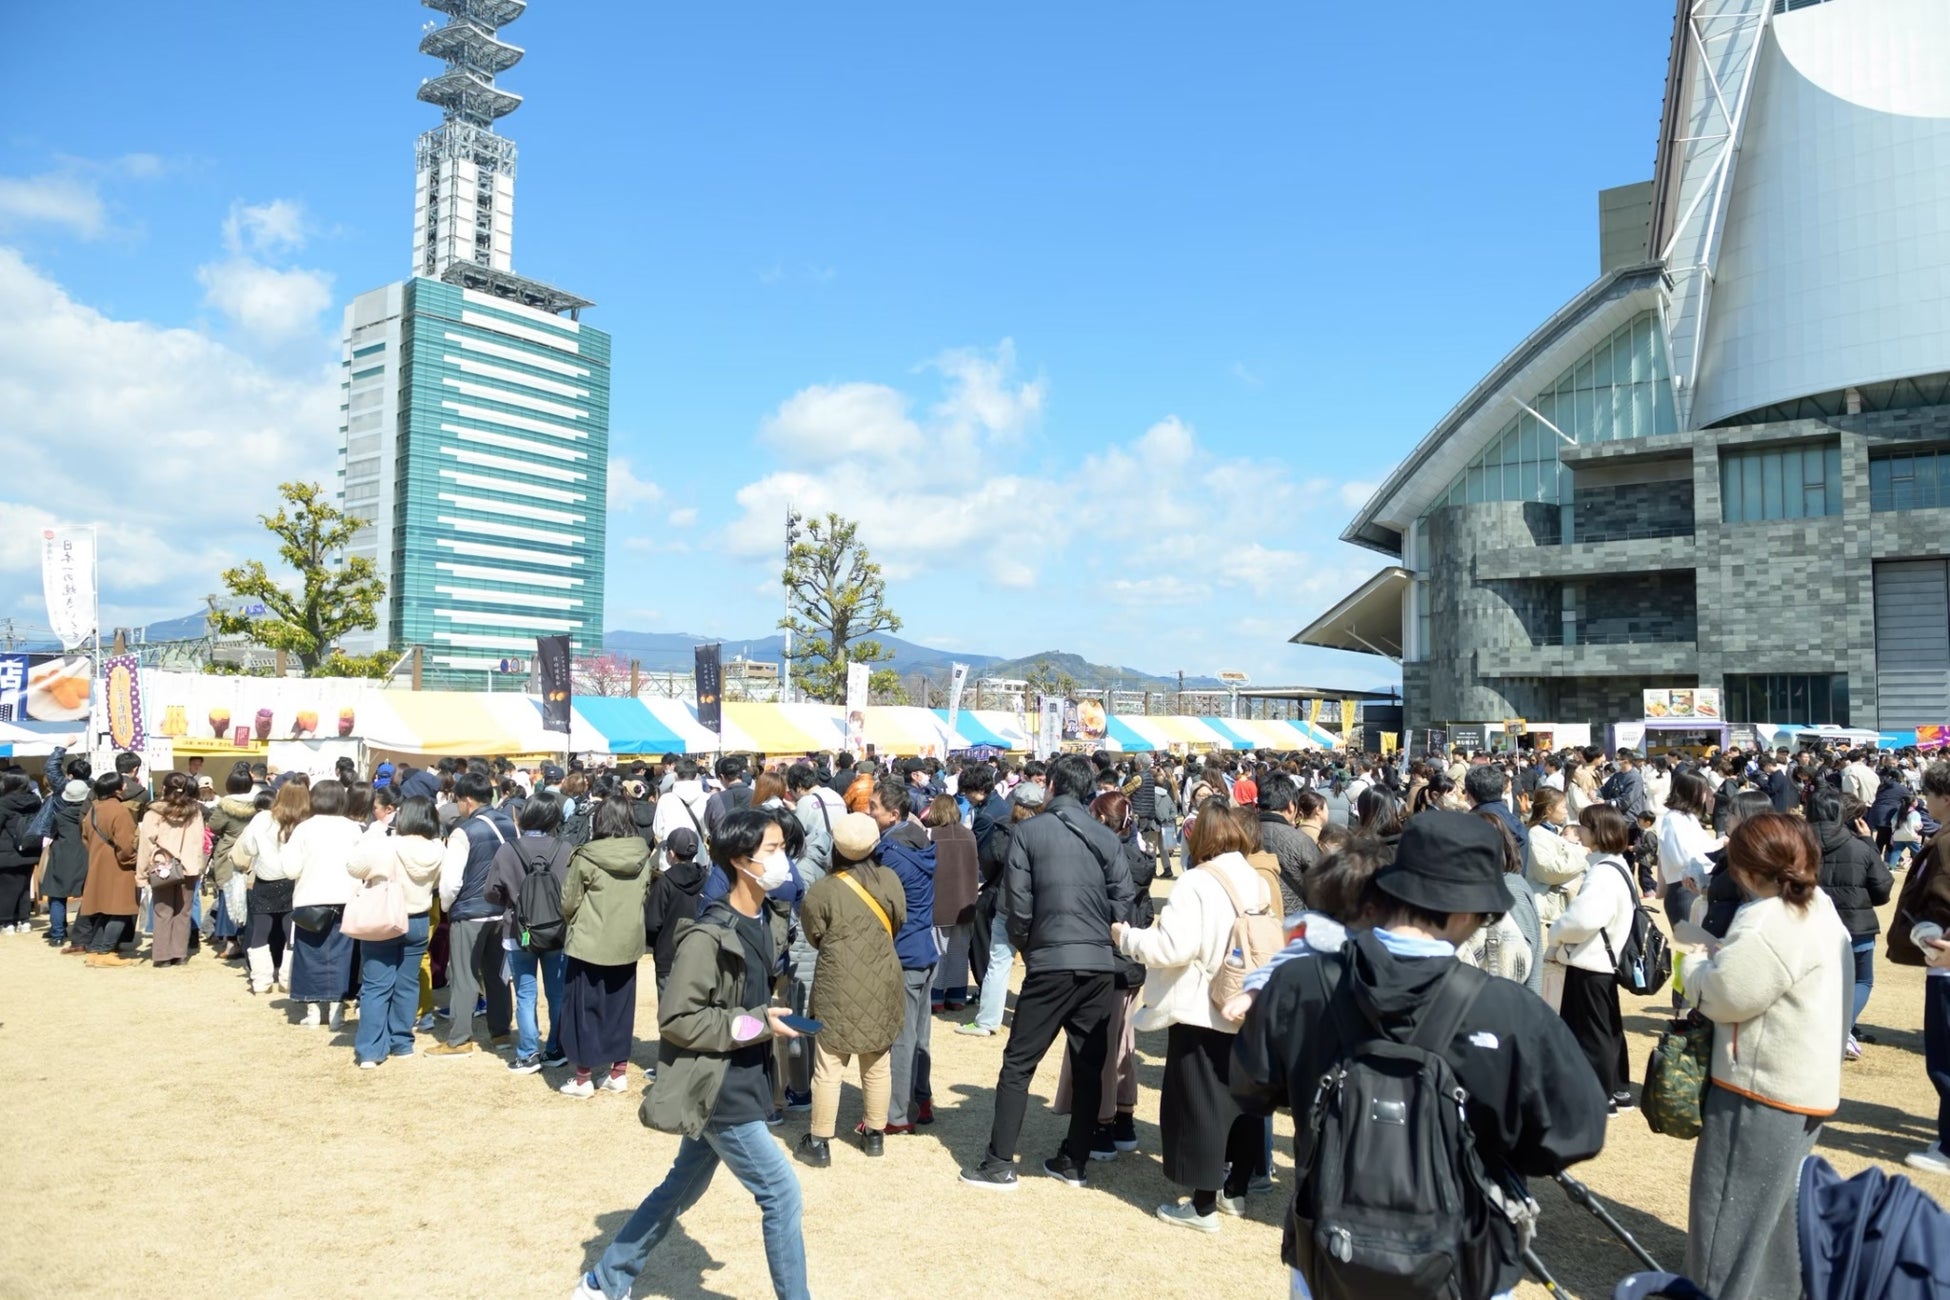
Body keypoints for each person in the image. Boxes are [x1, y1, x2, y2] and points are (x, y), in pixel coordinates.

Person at [1231, 811, 1609, 1299]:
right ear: (1467, 912)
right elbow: (1577, 1130)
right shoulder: (1509, 1011)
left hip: (1330, 1257)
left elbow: (1251, 1086)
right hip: (1467, 1263)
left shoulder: (1299, 983)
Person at [579, 807, 807, 1300]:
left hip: (746, 1075)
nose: (782, 860)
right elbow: (678, 1019)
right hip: (721, 1086)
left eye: (783, 849)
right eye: (772, 850)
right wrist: (757, 1023)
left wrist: (773, 1017)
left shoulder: (767, 919)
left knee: (678, 1189)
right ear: (740, 860)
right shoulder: (707, 936)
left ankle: (604, 1280)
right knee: (781, 1193)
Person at [1680, 812, 1851, 1300]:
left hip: (1760, 1087)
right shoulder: (1819, 907)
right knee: (1773, 1214)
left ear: (1747, 869)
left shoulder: (1770, 918)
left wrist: (1691, 968)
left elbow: (1726, 995)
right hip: (1803, 1082)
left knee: (1727, 1211)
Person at [961, 753, 1134, 1191]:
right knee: (1089, 1064)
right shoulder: (1105, 836)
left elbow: (1017, 905)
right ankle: (1075, 1160)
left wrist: (1030, 946)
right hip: (1097, 963)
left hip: (1052, 959)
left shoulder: (1028, 832)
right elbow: (1123, 901)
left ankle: (999, 1163)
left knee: (1019, 1063)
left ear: (1051, 786)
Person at [1113, 799, 1270, 1231]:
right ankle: (1234, 1191)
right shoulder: (1255, 880)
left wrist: (1127, 939)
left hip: (1201, 1006)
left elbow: (1172, 948)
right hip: (1245, 1003)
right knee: (1240, 1104)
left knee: (1199, 1106)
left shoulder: (1196, 882)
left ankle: (1202, 1206)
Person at [796, 811, 906, 1166]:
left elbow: (813, 933)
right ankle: (874, 1135)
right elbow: (899, 920)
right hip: (881, 977)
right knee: (877, 1062)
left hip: (836, 981)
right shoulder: (889, 879)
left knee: (828, 1066)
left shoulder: (823, 889)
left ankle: (819, 1142)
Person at [1055, 791, 1154, 1162]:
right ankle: (1123, 1119)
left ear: (1099, 820)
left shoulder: (1104, 857)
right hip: (1131, 965)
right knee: (1123, 1042)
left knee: (1101, 1046)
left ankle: (1101, 1124)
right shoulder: (1138, 859)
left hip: (1105, 963)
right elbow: (1145, 915)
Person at [555, 794, 653, 1097]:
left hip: (589, 941)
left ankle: (583, 1077)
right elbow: (645, 893)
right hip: (627, 941)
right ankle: (617, 1072)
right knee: (621, 1007)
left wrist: (576, 922)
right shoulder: (642, 855)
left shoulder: (586, 856)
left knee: (582, 1009)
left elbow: (568, 902)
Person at [1545, 804, 1638, 1111]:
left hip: (1591, 959)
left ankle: (1601, 1095)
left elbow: (1583, 920)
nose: (1579, 831)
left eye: (1584, 826)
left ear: (1598, 832)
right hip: (1605, 958)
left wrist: (1556, 933)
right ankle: (1618, 1089)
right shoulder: (1617, 864)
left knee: (1591, 1031)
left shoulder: (1602, 873)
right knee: (1607, 1027)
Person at [346, 795, 444, 1068]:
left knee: (376, 985)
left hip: (385, 917)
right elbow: (439, 882)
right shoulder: (438, 849)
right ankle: (402, 1042)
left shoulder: (386, 844)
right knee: (407, 982)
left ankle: (371, 1050)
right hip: (419, 919)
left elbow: (353, 867)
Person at [1889, 760, 1950, 1177]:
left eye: (1930, 794)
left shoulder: (1946, 843)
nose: (1926, 801)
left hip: (1945, 963)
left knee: (1945, 1059)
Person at [486, 790, 575, 1074]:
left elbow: (491, 891)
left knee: (525, 994)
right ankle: (556, 1048)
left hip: (518, 930)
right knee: (557, 993)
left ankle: (528, 1053)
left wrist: (513, 899)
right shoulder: (565, 848)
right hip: (557, 930)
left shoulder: (508, 850)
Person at [868, 777, 937, 1132]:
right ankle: (921, 1099)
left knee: (902, 1037)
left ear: (893, 814)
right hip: (925, 948)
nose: (869, 812)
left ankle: (896, 1114)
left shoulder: (890, 855)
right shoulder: (921, 843)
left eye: (874, 808)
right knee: (920, 1035)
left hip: (905, 953)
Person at [431, 772, 516, 1057]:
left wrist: (447, 907)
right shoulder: (510, 824)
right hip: (502, 911)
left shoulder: (463, 832)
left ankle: (459, 1038)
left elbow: (451, 882)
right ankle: (501, 1033)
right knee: (498, 975)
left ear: (467, 800)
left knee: (464, 975)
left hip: (470, 912)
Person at [1806, 786, 1894, 1059]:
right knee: (1862, 980)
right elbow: (1882, 889)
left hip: (1809, 925)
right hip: (1855, 924)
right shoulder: (1860, 848)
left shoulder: (1795, 845)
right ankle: (1841, 1029)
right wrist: (1868, 842)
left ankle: (1831, 1029)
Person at [961, 780, 1045, 1037]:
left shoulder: (1004, 829)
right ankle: (1037, 1020)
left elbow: (989, 861)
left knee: (998, 963)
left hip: (1007, 901)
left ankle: (987, 1021)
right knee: (1037, 964)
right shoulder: (1049, 830)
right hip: (1037, 903)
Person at [284, 780, 364, 1029]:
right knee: (342, 954)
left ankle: (313, 1011)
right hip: (346, 898)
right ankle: (337, 1011)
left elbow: (290, 869)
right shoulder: (353, 829)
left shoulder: (304, 829)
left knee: (309, 954)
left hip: (310, 899)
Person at [237, 780, 310, 994]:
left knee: (260, 930)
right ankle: (288, 979)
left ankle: (262, 981)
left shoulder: (262, 818)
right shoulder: (306, 822)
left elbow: (249, 848)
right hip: (295, 881)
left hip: (265, 879)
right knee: (291, 932)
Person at [136, 771, 207, 967]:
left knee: (162, 911)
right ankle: (179, 954)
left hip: (162, 866)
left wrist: (141, 874)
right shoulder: (195, 812)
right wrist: (198, 866)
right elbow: (199, 841)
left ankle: (162, 955)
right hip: (189, 867)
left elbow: (146, 845)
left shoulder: (153, 813)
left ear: (164, 788)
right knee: (183, 912)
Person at [79, 771, 141, 968]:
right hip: (118, 866)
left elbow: (85, 838)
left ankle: (95, 950)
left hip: (97, 862)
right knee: (120, 909)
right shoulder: (120, 811)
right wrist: (132, 861)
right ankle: (105, 951)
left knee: (104, 910)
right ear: (117, 789)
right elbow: (126, 845)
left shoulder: (93, 810)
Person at [925, 794, 979, 1010]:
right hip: (965, 901)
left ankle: (936, 997)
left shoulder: (930, 835)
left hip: (939, 901)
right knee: (959, 951)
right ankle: (957, 996)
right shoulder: (969, 835)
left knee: (939, 950)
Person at [1656, 769, 1721, 934]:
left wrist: (1722, 844)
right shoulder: (1673, 819)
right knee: (1690, 944)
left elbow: (1707, 846)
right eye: (1703, 792)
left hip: (1697, 885)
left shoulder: (1688, 817)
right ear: (1692, 792)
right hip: (1684, 888)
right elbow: (1683, 858)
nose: (1705, 797)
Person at [203, 766, 258, 960]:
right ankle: (248, 938)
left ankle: (232, 942)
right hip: (252, 853)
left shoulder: (225, 806)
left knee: (228, 897)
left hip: (229, 854)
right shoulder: (257, 804)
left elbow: (213, 826)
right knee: (249, 896)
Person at [644, 826, 706, 997]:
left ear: (671, 853)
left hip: (668, 958)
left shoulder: (665, 883)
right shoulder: (706, 880)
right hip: (700, 957)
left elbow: (652, 923)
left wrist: (656, 944)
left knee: (669, 1010)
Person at [41, 769, 92, 950]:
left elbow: (51, 833)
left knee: (56, 895)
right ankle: (85, 932)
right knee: (89, 895)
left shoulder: (60, 816)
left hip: (61, 856)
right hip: (86, 856)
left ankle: (57, 935)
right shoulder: (90, 815)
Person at [0, 771, 42, 934]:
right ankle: (24, 920)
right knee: (24, 887)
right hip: (29, 850)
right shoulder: (35, 801)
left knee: (7, 888)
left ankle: (7, 922)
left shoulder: (3, 803)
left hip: (7, 851)